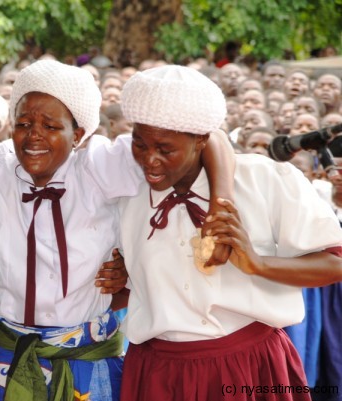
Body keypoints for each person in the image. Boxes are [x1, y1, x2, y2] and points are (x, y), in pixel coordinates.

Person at [0, 60, 235, 401]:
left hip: (87, 353)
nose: (33, 136)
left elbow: (210, 136)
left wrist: (221, 204)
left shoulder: (100, 166)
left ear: (79, 134)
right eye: (23, 124)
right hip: (10, 353)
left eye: (51, 126)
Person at [117, 64, 342, 401]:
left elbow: (334, 263)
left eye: (166, 149)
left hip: (248, 369)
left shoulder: (263, 179)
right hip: (158, 375)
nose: (150, 160)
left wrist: (258, 264)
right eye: (140, 145)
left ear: (201, 141)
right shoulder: (126, 195)